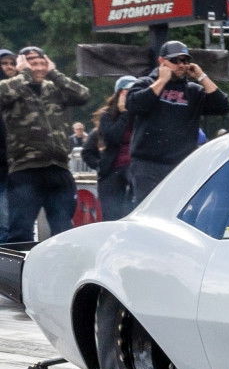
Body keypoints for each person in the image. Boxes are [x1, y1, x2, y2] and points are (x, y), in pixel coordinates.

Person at [0, 46, 89, 242]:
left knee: (63, 228)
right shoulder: (12, 87)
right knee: (20, 231)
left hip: (58, 168)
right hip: (26, 170)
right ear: (22, 64)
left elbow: (83, 95)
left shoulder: (54, 88)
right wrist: (24, 74)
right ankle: (20, 263)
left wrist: (54, 73)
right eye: (33, 63)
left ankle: (61, 261)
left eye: (42, 63)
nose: (39, 68)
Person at [124, 41, 227, 202]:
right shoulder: (145, 83)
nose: (181, 65)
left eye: (185, 61)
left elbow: (222, 106)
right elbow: (133, 105)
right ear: (162, 61)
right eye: (175, 60)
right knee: (149, 210)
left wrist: (201, 76)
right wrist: (161, 81)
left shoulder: (193, 91)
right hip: (147, 165)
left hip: (181, 165)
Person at [84, 76, 138, 219]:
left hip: (135, 170)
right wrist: (100, 165)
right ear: (119, 93)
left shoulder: (141, 115)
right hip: (112, 171)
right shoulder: (107, 116)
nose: (130, 95)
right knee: (112, 214)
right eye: (127, 92)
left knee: (133, 212)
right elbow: (112, 138)